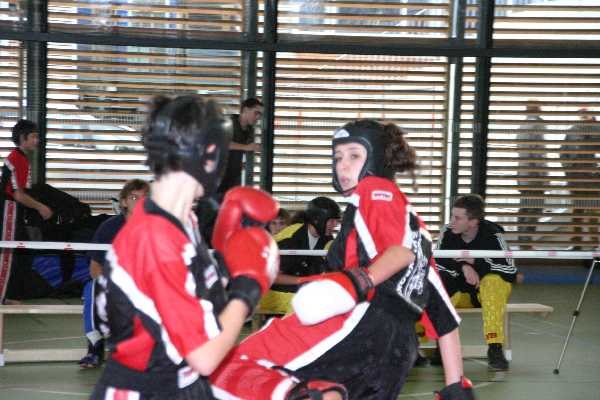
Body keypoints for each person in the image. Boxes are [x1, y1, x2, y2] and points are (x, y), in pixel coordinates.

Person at [210, 119, 474, 400]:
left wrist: (356, 282)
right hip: (398, 351)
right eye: (338, 157)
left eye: (354, 155)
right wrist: (456, 388)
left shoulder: (375, 189)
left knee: (229, 368)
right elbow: (444, 318)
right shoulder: (418, 230)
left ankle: (319, 395)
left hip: (357, 321)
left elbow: (399, 252)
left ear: (377, 159)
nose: (343, 166)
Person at [90, 94, 282, 399]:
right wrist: (248, 289)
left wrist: (227, 273)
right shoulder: (156, 238)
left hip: (181, 383)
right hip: (147, 390)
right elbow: (205, 357)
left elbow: (195, 301)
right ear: (209, 155)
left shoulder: (184, 219)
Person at [435, 194, 517, 371]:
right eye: (452, 216)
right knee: (438, 282)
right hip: (461, 292)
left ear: (473, 222)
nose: (452, 221)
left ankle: (495, 347)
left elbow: (511, 271)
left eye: (457, 218)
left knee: (493, 282)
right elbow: (437, 265)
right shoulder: (447, 232)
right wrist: (464, 266)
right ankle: (440, 345)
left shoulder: (494, 235)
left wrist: (477, 262)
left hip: (486, 294)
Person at [78, 179, 149, 369]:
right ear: (124, 202)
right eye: (134, 198)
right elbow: (95, 267)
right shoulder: (109, 228)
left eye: (145, 198)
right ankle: (95, 348)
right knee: (92, 288)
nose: (140, 202)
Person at [0, 119, 53, 303]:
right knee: (7, 254)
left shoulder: (22, 158)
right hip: (9, 210)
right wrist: (41, 207)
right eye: (34, 136)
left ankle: (10, 294)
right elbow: (18, 195)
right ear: (23, 138)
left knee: (22, 253)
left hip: (16, 212)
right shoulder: (17, 158)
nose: (37, 140)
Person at [259, 197, 341, 315]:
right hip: (270, 293)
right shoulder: (290, 238)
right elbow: (271, 276)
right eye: (332, 221)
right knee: (304, 303)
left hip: (299, 290)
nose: (335, 225)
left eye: (337, 221)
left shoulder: (327, 239)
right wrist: (304, 280)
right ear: (318, 219)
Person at [561, 108, 600, 250]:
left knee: (583, 211)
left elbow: (563, 154)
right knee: (586, 212)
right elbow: (563, 153)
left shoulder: (576, 131)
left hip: (585, 178)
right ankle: (586, 244)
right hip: (584, 179)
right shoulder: (575, 131)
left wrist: (570, 172)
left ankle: (583, 243)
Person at [217, 98, 263, 197]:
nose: (258, 117)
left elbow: (244, 150)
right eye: (256, 113)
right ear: (245, 110)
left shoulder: (250, 130)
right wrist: (246, 147)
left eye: (260, 115)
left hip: (234, 176)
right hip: (219, 176)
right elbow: (222, 143)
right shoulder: (228, 122)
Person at [517, 102, 546, 249]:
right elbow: (538, 153)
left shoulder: (522, 126)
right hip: (534, 174)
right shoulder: (536, 126)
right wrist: (544, 175)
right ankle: (526, 241)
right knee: (535, 208)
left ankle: (522, 239)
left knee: (525, 206)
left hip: (523, 174)